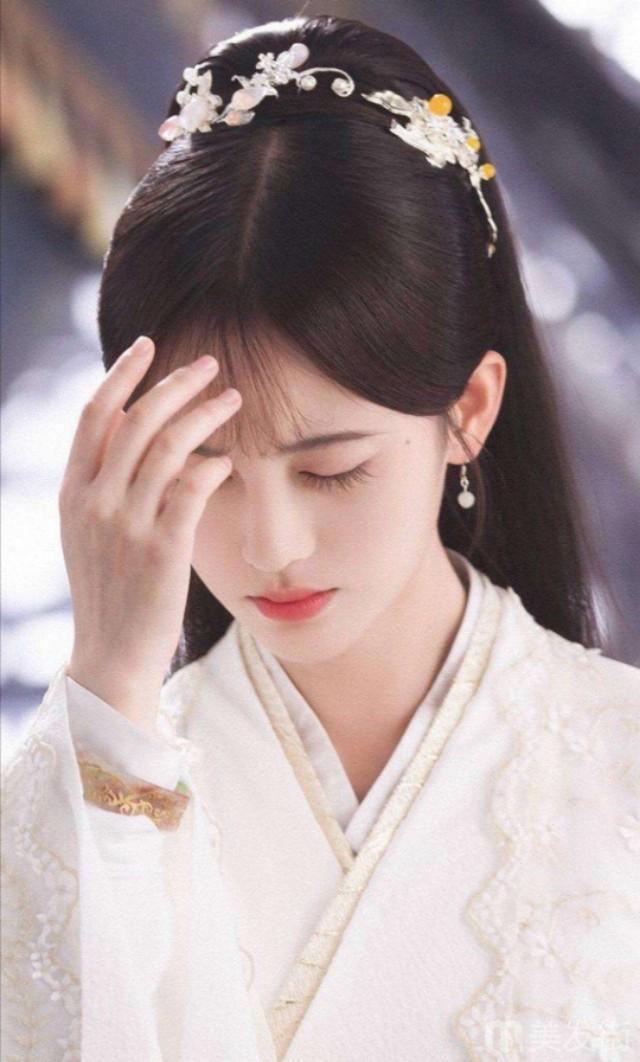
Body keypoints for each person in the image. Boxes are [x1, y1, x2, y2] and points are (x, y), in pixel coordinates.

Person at [2, 13, 639, 1062]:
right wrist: (109, 678)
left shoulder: (619, 764)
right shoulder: (86, 797)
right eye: (208, 468)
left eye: (332, 469)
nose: (271, 544)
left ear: (469, 411)